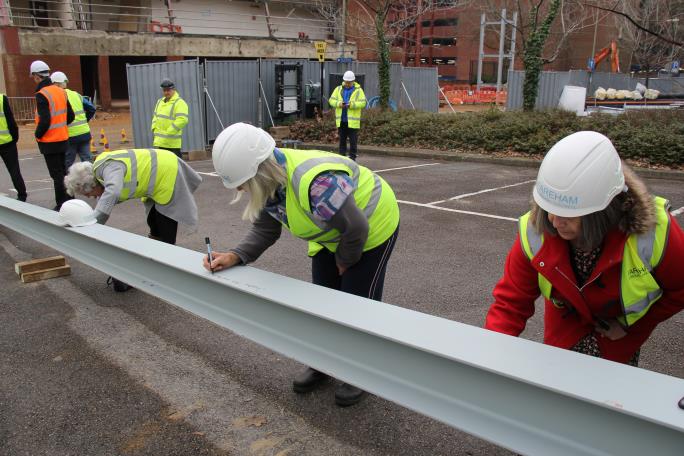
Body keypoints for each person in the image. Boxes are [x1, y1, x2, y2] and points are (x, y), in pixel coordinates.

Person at [204, 122, 400, 406]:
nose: (244, 190)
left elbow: (356, 229)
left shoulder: (316, 183)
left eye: (244, 184)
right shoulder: (271, 181)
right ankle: (322, 363)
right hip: (332, 233)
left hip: (372, 226)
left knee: (356, 305)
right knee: (320, 303)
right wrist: (235, 255)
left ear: (259, 172)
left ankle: (361, 373)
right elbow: (265, 230)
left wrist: (344, 262)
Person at [485, 131, 684, 366]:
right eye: (548, 208)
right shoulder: (536, 231)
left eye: (569, 215)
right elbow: (511, 303)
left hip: (619, 339)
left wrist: (632, 325)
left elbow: (680, 289)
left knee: (612, 397)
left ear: (604, 211)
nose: (554, 221)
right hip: (563, 334)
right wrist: (489, 359)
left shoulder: (654, 233)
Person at [64, 148, 202, 291]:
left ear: (92, 184)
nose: (91, 197)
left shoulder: (108, 168)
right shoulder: (101, 173)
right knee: (153, 221)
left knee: (166, 224)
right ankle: (153, 262)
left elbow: (113, 191)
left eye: (88, 194)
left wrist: (94, 223)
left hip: (167, 171)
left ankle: (165, 271)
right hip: (157, 176)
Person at [31, 60, 75, 210]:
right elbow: (70, 116)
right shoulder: (60, 91)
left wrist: (38, 135)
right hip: (63, 138)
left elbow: (45, 120)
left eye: (33, 77)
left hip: (49, 141)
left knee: (56, 175)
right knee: (64, 172)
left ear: (37, 76)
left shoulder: (42, 94)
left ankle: (62, 204)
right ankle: (70, 198)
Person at [50, 71, 96, 169]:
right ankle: (92, 182)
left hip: (70, 135)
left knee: (67, 164)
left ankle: (67, 183)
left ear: (55, 84)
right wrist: (84, 120)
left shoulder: (57, 96)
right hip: (84, 133)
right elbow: (91, 108)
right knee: (87, 162)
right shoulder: (76, 94)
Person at [328, 70, 366, 161]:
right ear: (344, 81)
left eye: (349, 82)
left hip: (353, 122)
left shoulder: (358, 90)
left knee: (353, 142)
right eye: (346, 82)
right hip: (342, 120)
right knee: (342, 141)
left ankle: (352, 159)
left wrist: (352, 105)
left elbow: (363, 103)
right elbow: (331, 101)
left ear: (353, 81)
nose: (347, 84)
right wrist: (339, 104)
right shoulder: (338, 89)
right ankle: (342, 158)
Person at [151, 78, 189, 158]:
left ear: (173, 89)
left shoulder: (179, 103)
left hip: (172, 143)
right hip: (161, 142)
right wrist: (154, 128)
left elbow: (182, 119)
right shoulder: (159, 102)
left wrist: (169, 132)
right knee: (164, 165)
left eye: (168, 90)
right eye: (164, 90)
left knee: (176, 165)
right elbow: (155, 116)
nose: (166, 92)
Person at [0, 92, 27, 202]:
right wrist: (14, 137)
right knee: (14, 170)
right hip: (7, 142)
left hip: (7, 142)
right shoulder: (2, 98)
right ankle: (22, 195)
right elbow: (10, 119)